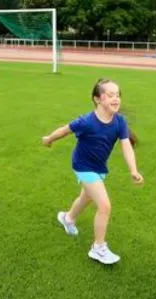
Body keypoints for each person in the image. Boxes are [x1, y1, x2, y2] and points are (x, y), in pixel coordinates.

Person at [42, 78, 144, 264]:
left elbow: (126, 145)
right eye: (110, 95)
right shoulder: (86, 121)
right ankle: (98, 248)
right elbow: (65, 130)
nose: (116, 99)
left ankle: (68, 218)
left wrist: (133, 169)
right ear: (98, 99)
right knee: (104, 205)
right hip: (83, 165)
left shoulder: (120, 122)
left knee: (86, 197)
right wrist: (49, 138)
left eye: (118, 95)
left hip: (99, 167)